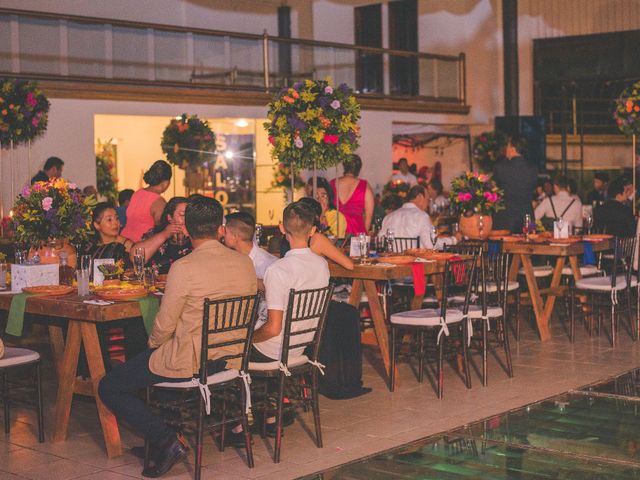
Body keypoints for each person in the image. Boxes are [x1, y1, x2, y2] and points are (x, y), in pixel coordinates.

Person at [99, 196, 257, 478]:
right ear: (220, 228)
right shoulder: (244, 263)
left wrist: (154, 346)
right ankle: (159, 437)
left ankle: (165, 438)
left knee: (110, 385)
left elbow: (164, 326)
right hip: (231, 358)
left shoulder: (184, 267)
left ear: (188, 229)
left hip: (193, 360)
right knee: (145, 364)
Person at [379, 185, 458, 250]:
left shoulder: (389, 217)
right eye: (427, 200)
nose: (427, 205)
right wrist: (453, 240)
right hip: (415, 265)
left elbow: (380, 241)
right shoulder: (422, 216)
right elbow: (430, 245)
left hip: (392, 264)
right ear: (420, 197)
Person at [492, 135, 538, 233]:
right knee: (528, 246)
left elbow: (494, 189)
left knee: (503, 247)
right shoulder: (533, 169)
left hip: (505, 218)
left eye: (507, 146)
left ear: (513, 148)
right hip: (527, 216)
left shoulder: (500, 168)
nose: (506, 149)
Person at [133, 197, 191, 275]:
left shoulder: (196, 235)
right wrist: (164, 234)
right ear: (170, 218)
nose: (187, 219)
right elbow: (135, 257)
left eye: (189, 215)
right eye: (182, 215)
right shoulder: (156, 233)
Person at [224, 211, 277, 295]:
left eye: (225, 232)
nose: (222, 235)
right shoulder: (229, 257)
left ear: (234, 237)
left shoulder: (268, 263)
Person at [120, 160, 172, 242]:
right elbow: (161, 231)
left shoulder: (137, 193)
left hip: (124, 241)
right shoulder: (159, 202)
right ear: (166, 183)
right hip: (141, 248)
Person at [330, 154, 374, 235]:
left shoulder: (332, 183)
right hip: (356, 230)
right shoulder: (364, 186)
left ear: (344, 166)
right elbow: (369, 214)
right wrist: (364, 234)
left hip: (335, 230)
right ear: (359, 169)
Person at [85, 202, 134, 266]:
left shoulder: (127, 246)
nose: (115, 223)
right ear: (97, 225)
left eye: (117, 218)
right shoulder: (90, 247)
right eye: (109, 220)